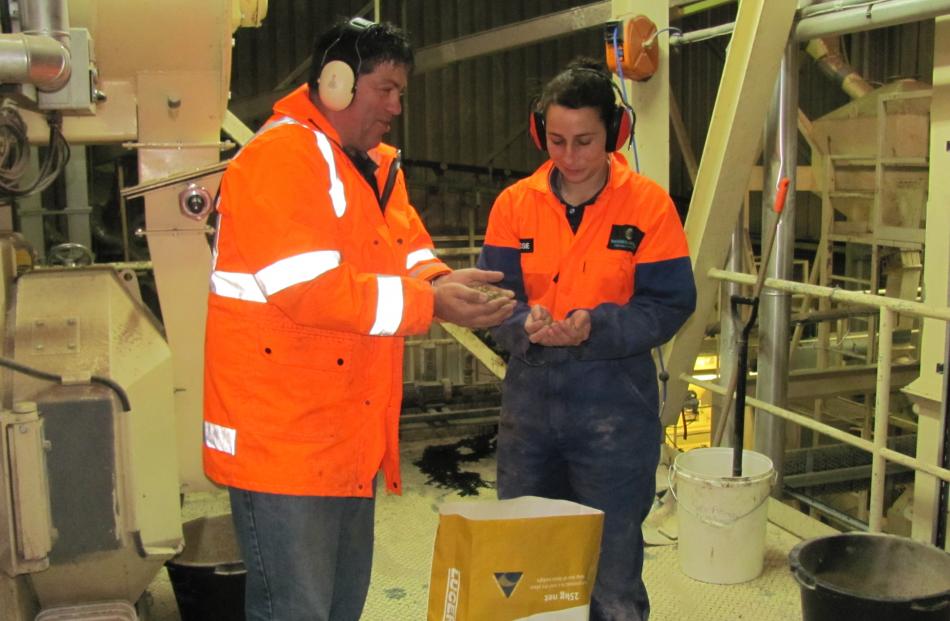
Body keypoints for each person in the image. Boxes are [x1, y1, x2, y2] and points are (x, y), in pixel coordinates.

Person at [202, 17, 515, 621]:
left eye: (402, 92)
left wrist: (444, 282)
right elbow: (309, 291)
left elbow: (409, 253)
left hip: (346, 437)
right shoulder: (280, 159)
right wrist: (431, 303)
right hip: (286, 444)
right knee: (296, 610)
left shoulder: (373, 168)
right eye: (387, 90)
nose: (397, 106)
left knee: (340, 606)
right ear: (338, 84)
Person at [477, 58, 696, 621]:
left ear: (615, 134)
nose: (570, 158)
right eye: (556, 141)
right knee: (526, 564)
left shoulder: (649, 206)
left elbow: (671, 302)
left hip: (616, 413)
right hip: (529, 411)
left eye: (584, 142)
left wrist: (595, 327)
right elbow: (492, 299)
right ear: (539, 133)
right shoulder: (513, 205)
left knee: (613, 572)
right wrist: (520, 323)